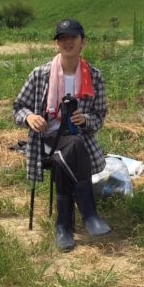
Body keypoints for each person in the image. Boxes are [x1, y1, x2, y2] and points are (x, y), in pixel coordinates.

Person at [13, 19, 111, 252]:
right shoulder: (41, 74)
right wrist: (30, 117)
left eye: (72, 38)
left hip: (79, 139)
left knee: (69, 151)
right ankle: (89, 214)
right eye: (62, 39)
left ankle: (64, 226)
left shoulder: (94, 76)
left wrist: (84, 119)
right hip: (45, 138)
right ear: (56, 44)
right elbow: (18, 107)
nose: (68, 43)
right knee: (72, 148)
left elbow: (99, 115)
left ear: (83, 42)